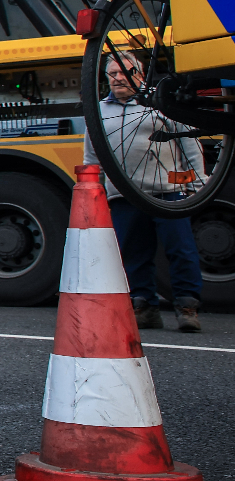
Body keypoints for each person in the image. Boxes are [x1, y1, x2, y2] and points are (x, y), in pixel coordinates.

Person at [83, 54, 205, 332]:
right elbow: (92, 158)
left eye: (125, 72)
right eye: (112, 73)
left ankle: (187, 307)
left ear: (140, 74)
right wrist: (93, 195)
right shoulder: (97, 111)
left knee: (181, 250)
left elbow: (190, 144)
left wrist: (197, 186)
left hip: (169, 192)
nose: (118, 78)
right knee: (134, 253)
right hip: (124, 196)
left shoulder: (161, 102)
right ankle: (144, 306)